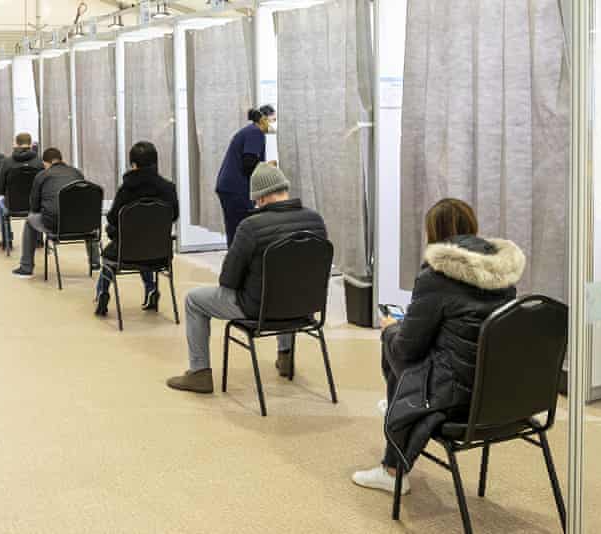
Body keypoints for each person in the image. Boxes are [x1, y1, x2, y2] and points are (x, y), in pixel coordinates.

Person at [351, 199, 525, 496]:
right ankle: (400, 407)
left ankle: (393, 468)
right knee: (414, 343)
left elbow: (407, 349)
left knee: (392, 338)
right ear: (472, 227)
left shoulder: (436, 276)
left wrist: (391, 328)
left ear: (434, 234)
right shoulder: (502, 275)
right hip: (499, 393)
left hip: (455, 397)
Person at [167, 163, 326, 394]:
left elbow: (227, 280)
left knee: (194, 300)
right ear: (284, 189)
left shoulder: (251, 226)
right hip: (304, 308)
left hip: (258, 310)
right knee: (289, 284)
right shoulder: (315, 221)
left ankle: (199, 373)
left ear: (260, 199)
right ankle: (285, 357)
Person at [95, 141, 179, 316]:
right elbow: (174, 215)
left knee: (112, 254)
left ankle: (102, 293)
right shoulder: (168, 188)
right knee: (144, 246)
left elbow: (112, 218)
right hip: (160, 252)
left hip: (126, 251)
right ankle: (151, 289)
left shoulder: (126, 190)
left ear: (133, 165)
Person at [12, 148, 98, 278]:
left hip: (56, 225)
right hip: (82, 225)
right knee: (87, 219)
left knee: (30, 220)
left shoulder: (42, 175)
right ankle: (95, 262)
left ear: (46, 163)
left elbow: (34, 206)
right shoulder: (77, 173)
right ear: (61, 159)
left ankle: (26, 267)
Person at [215, 105, 277, 247]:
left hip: (231, 186)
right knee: (240, 231)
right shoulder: (255, 133)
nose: (274, 124)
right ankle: (236, 265)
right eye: (273, 120)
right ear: (264, 119)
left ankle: (235, 264)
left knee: (235, 229)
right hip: (236, 188)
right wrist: (269, 167)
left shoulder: (249, 131)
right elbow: (249, 163)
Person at [0, 133, 44, 250]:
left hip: (12, 205)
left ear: (15, 144)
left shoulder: (6, 162)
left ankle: (7, 241)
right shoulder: (39, 162)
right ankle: (38, 241)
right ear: (31, 144)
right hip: (35, 206)